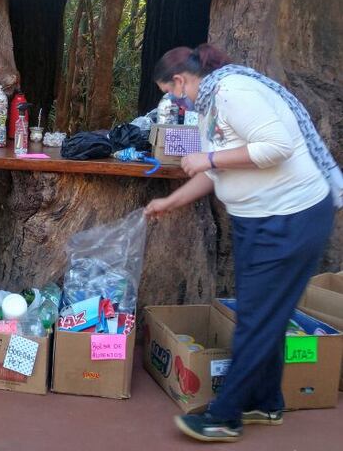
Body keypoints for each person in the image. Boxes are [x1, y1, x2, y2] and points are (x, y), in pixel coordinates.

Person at [144, 44, 340, 443]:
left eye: (169, 92)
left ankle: (224, 416)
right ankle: (263, 403)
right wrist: (171, 201)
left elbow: (276, 148)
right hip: (257, 222)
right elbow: (217, 169)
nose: (172, 100)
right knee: (259, 313)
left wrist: (209, 160)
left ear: (180, 81)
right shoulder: (211, 106)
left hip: (291, 218)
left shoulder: (233, 92)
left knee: (256, 319)